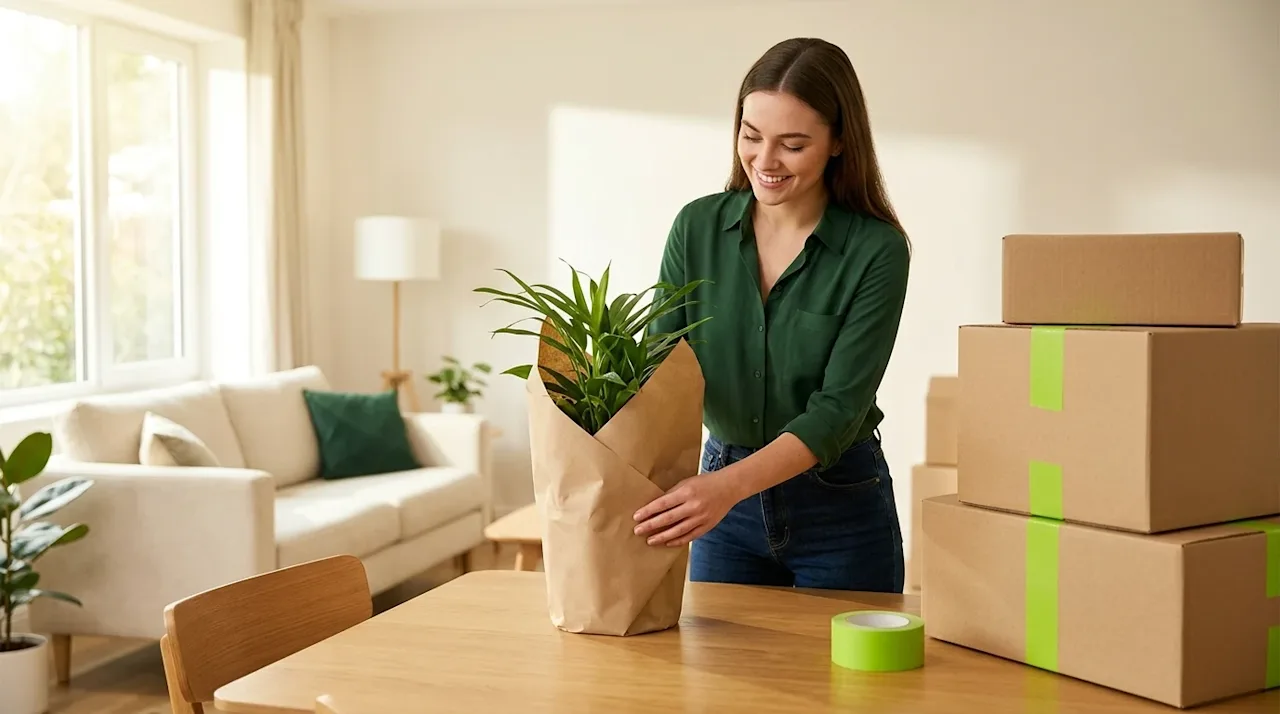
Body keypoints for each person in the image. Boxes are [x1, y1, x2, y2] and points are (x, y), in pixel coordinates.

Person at [632, 37, 911, 592]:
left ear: (838, 143)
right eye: (751, 135)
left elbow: (838, 409)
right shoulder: (697, 228)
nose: (764, 162)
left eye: (793, 145)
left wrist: (724, 488)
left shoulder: (877, 251)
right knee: (716, 680)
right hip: (720, 512)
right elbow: (661, 365)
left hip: (840, 511)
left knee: (853, 682)